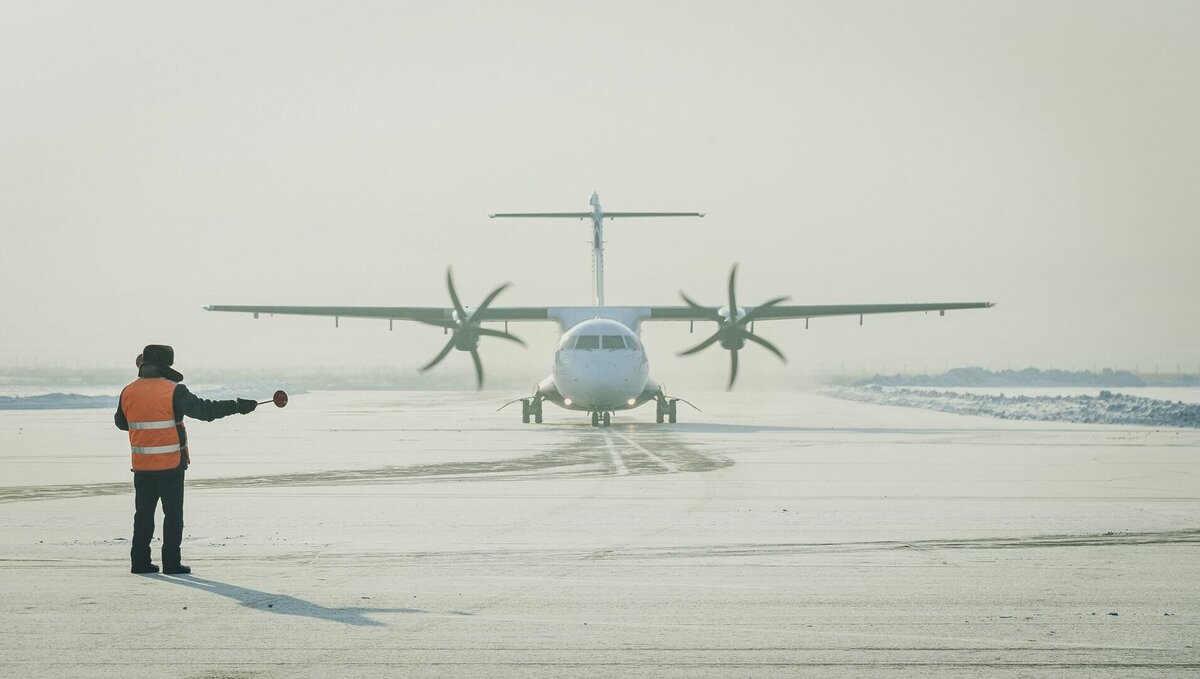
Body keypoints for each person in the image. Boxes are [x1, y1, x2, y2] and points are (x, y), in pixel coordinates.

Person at [114, 344, 258, 575]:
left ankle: (139, 562)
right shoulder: (173, 390)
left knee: (143, 515)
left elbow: (121, 423)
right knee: (172, 515)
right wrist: (236, 406)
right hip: (170, 465)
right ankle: (171, 563)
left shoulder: (128, 391)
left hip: (141, 466)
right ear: (166, 364)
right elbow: (205, 411)